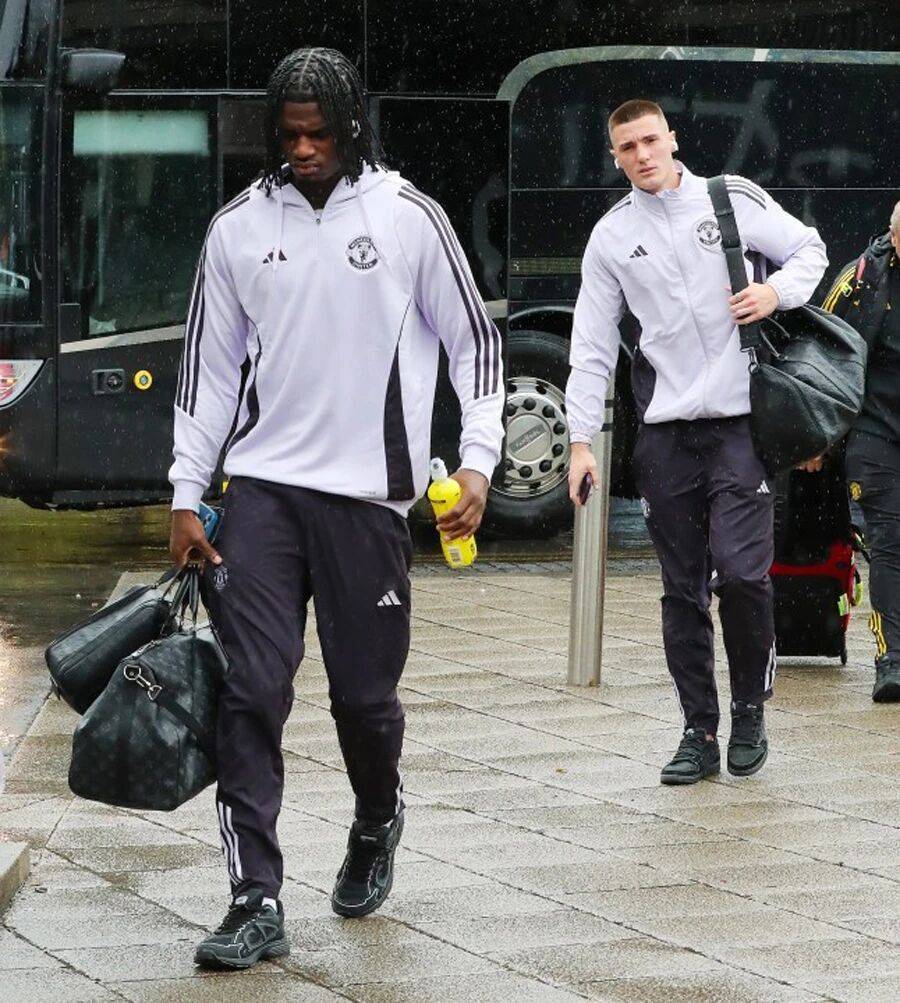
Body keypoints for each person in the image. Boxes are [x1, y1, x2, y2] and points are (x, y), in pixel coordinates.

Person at [168, 47, 503, 969]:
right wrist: (187, 492)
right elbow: (207, 371)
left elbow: (475, 346)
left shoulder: (408, 217)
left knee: (363, 699)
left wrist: (479, 462)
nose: (304, 149)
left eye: (319, 134)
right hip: (263, 493)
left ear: (352, 127)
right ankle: (254, 895)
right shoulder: (238, 228)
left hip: (368, 500)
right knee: (250, 691)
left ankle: (376, 815)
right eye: (289, 135)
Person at [566, 99, 827, 785]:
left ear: (672, 139)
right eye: (628, 147)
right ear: (616, 157)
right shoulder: (612, 236)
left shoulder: (728, 198)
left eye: (651, 140)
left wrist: (776, 294)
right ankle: (698, 731)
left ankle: (749, 710)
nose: (643, 155)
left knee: (741, 575)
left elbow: (810, 248)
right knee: (681, 590)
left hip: (740, 423)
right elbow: (591, 342)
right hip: (666, 434)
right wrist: (580, 439)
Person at [822, 200, 900, 702]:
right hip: (876, 431)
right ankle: (891, 659)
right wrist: (818, 436)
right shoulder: (860, 279)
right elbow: (824, 349)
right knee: (890, 544)